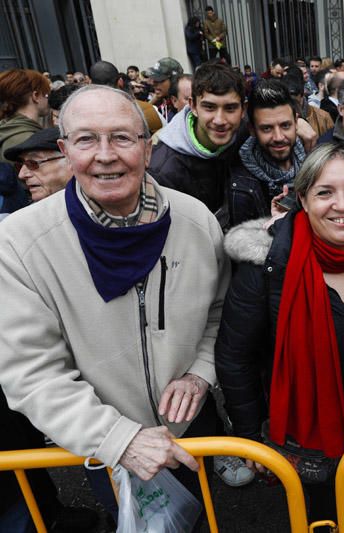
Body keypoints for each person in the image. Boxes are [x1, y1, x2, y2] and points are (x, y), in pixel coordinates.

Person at [0, 84, 231, 525]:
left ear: (147, 148)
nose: (105, 155)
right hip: (101, 444)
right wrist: (118, 438)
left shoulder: (196, 220)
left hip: (189, 430)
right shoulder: (19, 243)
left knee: (201, 520)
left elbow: (219, 315)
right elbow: (31, 372)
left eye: (122, 137)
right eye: (87, 139)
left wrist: (201, 373)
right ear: (66, 151)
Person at [215, 141, 344, 524]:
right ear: (302, 197)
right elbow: (235, 357)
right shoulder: (268, 264)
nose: (342, 205)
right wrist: (253, 440)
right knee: (317, 515)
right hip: (302, 440)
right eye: (324, 192)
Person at [149, 61, 247, 215]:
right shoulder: (163, 171)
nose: (220, 120)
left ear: (243, 110)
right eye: (209, 107)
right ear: (193, 106)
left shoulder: (247, 134)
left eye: (230, 108)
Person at [225, 79, 307, 228]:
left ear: (296, 122)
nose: (279, 137)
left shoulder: (314, 162)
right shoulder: (241, 187)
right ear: (252, 130)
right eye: (267, 129)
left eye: (285, 125)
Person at [90, 60, 163, 136]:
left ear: (91, 85)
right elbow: (159, 140)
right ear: (120, 82)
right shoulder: (145, 110)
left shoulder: (84, 116)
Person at [5, 127, 70, 202]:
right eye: (19, 166)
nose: (21, 175)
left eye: (32, 163)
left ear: (71, 161)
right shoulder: (26, 213)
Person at [0, 68, 50, 164]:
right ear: (35, 96)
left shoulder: (9, 130)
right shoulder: (25, 139)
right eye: (46, 95)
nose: (48, 100)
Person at [144, 57, 184, 123]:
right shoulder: (162, 101)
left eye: (159, 79)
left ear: (173, 80)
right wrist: (154, 99)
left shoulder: (182, 105)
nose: (153, 83)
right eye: (154, 79)